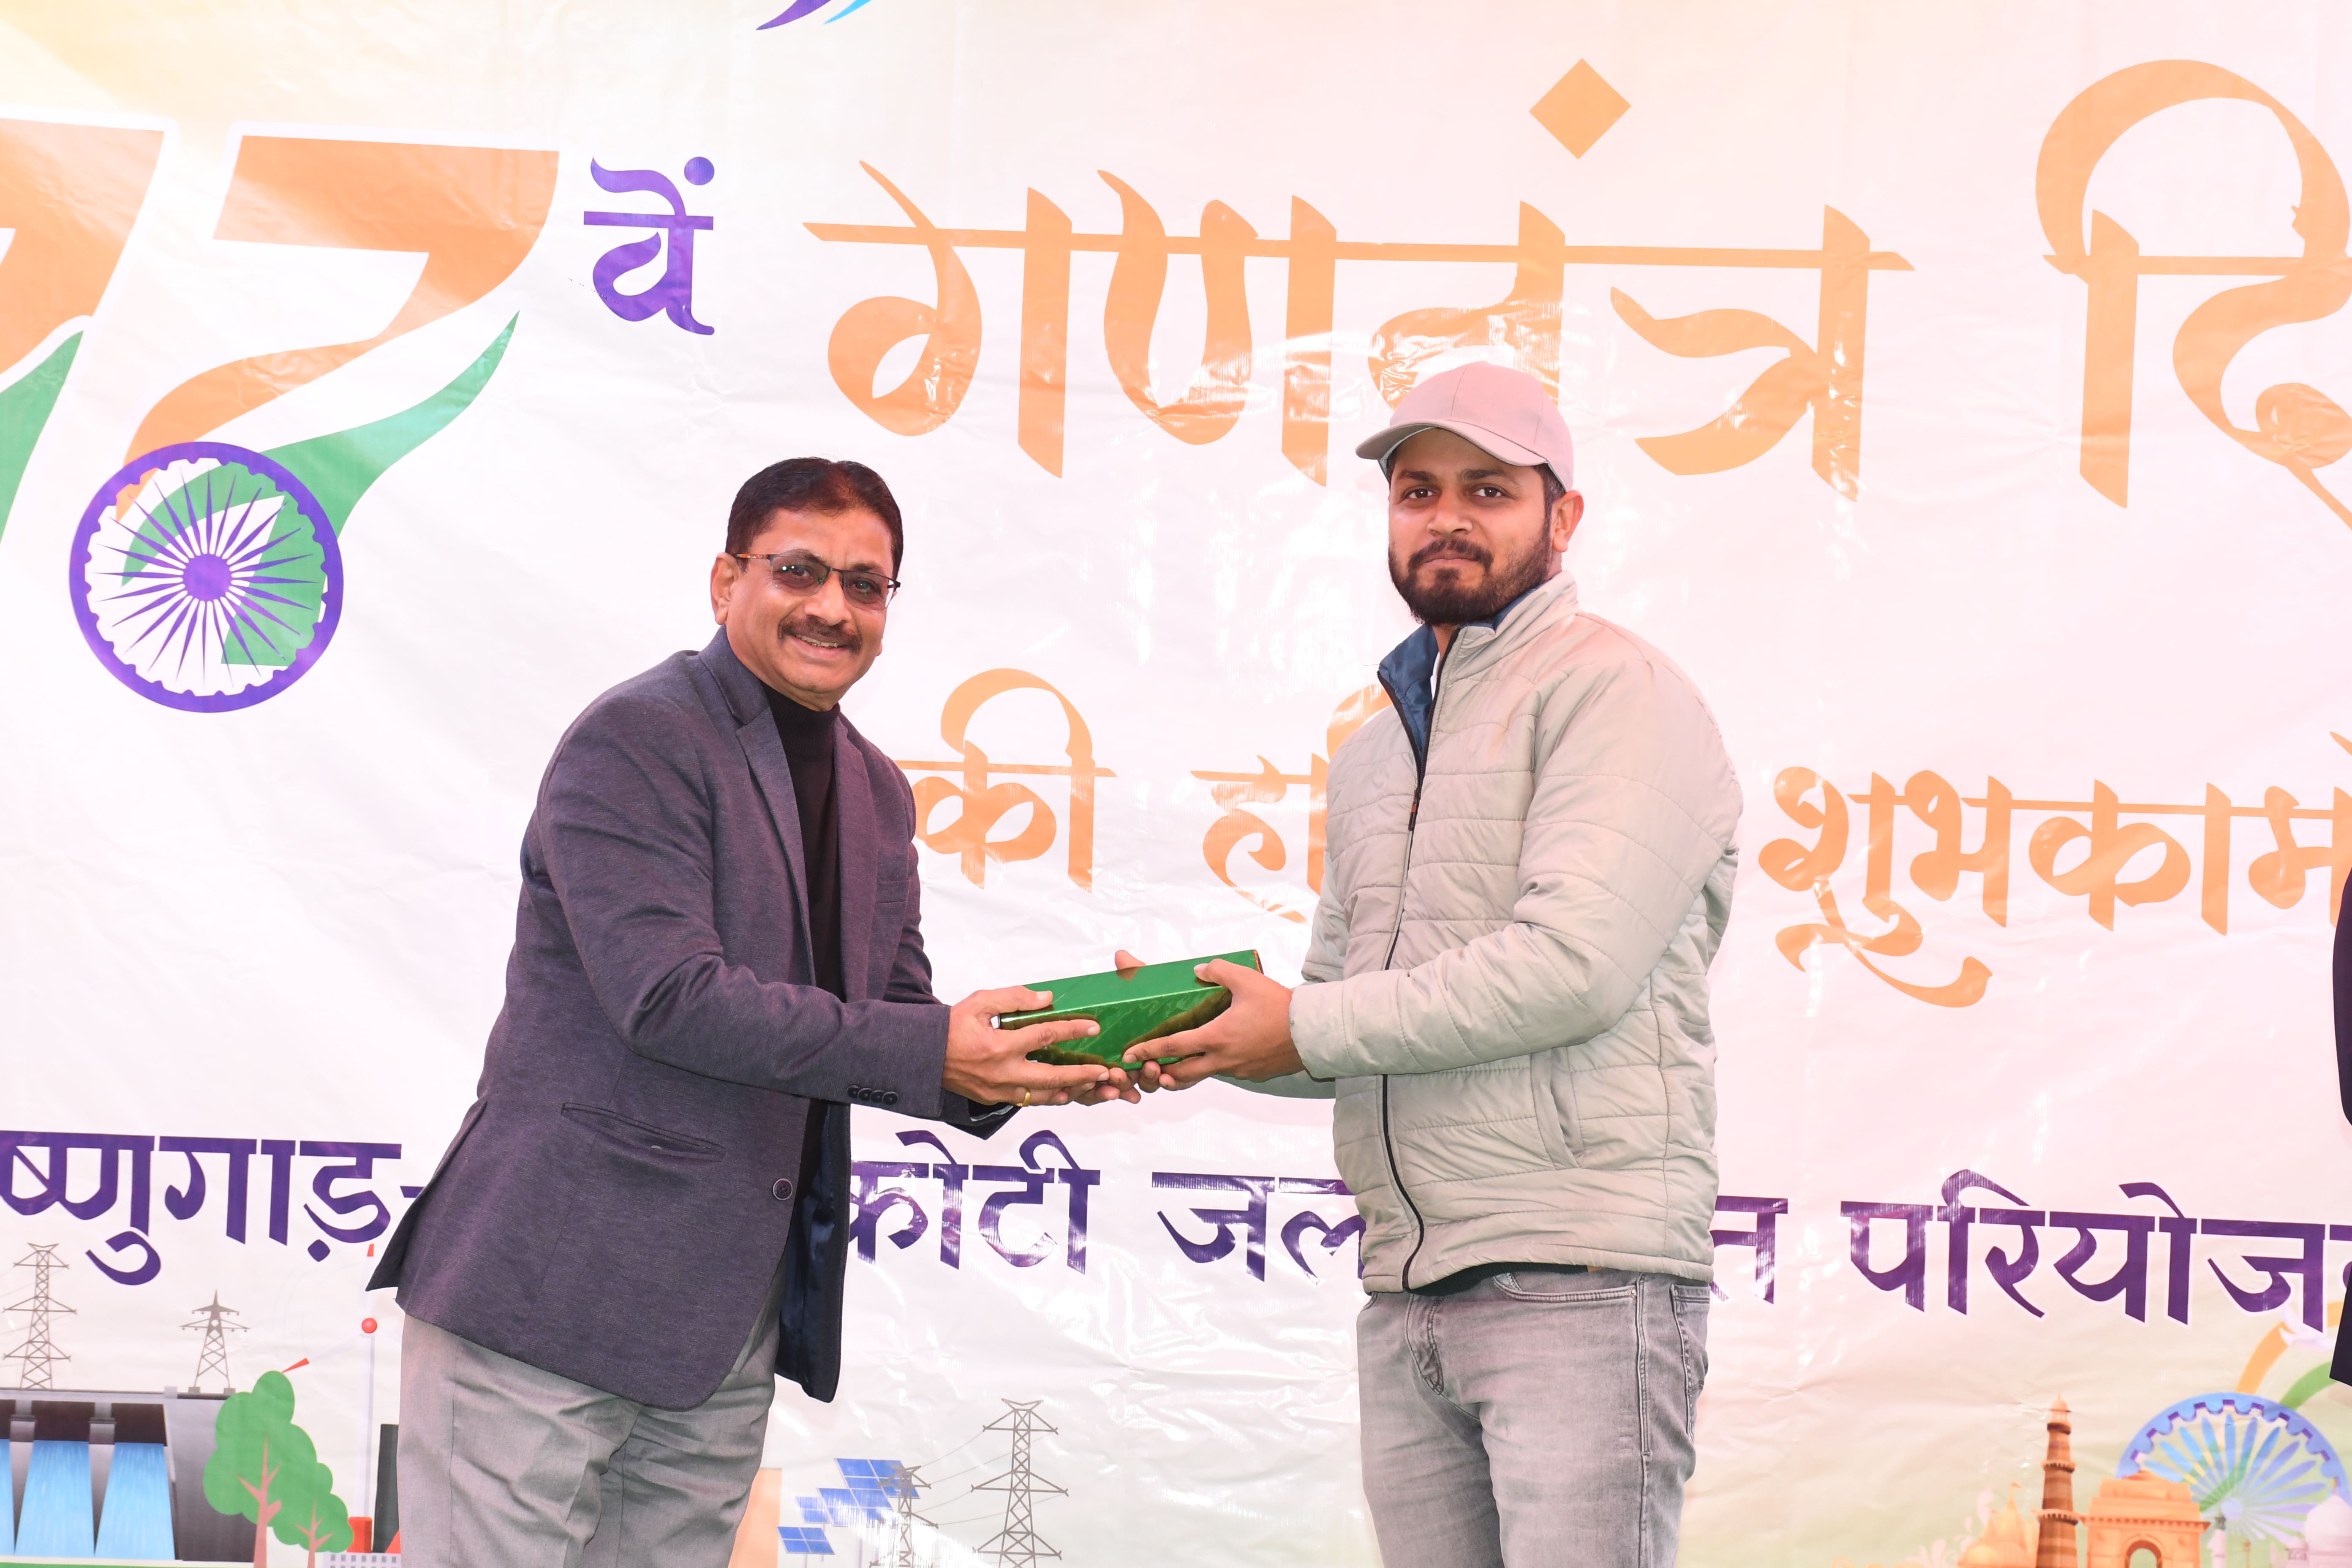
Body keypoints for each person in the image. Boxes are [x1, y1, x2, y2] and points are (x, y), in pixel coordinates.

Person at [369, 457, 1127, 1568]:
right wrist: (935, 1047)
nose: (834, 607)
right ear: (728, 581)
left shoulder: (876, 789)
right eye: (799, 571)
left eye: (865, 585)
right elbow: (669, 999)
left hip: (723, 1323)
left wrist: (1039, 1055)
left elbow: (890, 1015)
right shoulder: (640, 737)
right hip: (550, 1292)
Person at [1136, 362, 1743, 1565]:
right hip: (1410, 1290)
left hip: (1581, 1280)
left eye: (1488, 490)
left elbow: (1571, 969)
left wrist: (1297, 1026)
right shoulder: (1376, 752)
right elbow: (1338, 1017)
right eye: (1418, 492)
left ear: (1564, 517)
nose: (1447, 518)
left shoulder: (1617, 692)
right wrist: (1189, 1035)